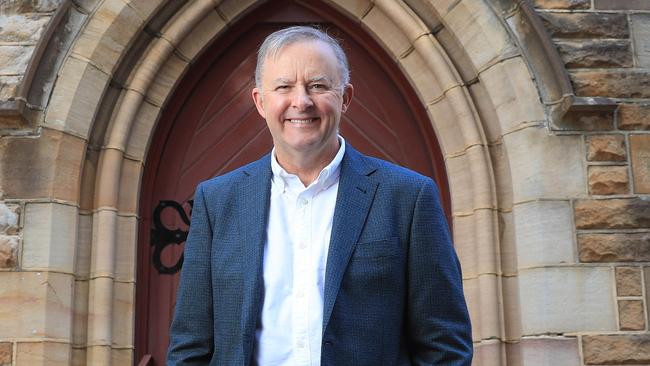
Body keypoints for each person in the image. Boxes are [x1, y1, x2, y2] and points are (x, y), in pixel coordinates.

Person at [167, 25, 472, 365]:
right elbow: (190, 347)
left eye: (318, 85)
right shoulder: (218, 201)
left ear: (345, 98)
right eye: (284, 86)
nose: (301, 101)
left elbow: (445, 345)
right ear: (260, 101)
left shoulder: (408, 197)